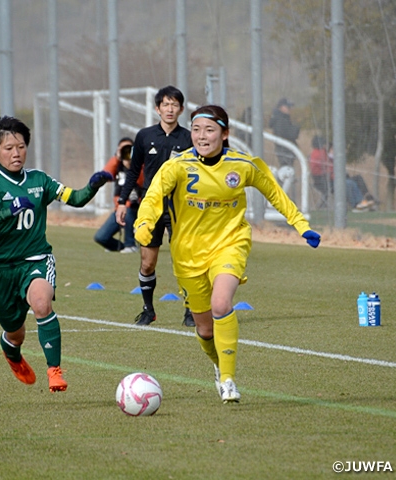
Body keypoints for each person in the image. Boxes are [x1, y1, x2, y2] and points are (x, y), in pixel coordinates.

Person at [133, 105, 320, 403]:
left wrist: (300, 224)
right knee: (205, 330)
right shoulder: (177, 166)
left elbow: (274, 191)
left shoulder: (242, 165)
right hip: (188, 255)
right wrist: (144, 223)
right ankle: (220, 367)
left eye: (209, 130)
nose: (201, 136)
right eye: (196, 130)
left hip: (230, 244)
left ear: (225, 133)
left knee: (221, 303)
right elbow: (154, 196)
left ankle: (230, 380)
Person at [0, 116, 112, 393]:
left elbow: (75, 199)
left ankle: (54, 371)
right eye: (8, 148)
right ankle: (12, 353)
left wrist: (93, 185)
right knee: (15, 332)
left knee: (42, 304)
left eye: (20, 146)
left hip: (36, 259)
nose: (16, 153)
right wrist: (8, 211)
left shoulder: (39, 180)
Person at [115, 85, 195, 327]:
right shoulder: (144, 136)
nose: (170, 109)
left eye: (175, 105)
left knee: (185, 260)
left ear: (181, 109)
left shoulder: (189, 137)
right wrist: (122, 201)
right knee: (148, 262)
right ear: (157, 108)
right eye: (165, 104)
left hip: (181, 207)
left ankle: (191, 310)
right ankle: (148, 310)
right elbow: (132, 172)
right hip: (151, 207)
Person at [93, 137, 143, 253]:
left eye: (129, 149)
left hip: (137, 208)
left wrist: (134, 163)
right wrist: (117, 158)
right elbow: (105, 175)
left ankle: (130, 244)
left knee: (129, 208)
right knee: (101, 237)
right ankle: (121, 246)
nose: (126, 152)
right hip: (119, 208)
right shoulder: (117, 165)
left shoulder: (141, 164)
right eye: (123, 149)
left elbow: (143, 181)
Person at [269, 98, 300, 198]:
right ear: (281, 107)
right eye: (288, 107)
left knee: (287, 174)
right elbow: (289, 134)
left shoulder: (282, 118)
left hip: (285, 150)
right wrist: (296, 128)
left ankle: (282, 197)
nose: (289, 109)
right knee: (286, 173)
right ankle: (279, 197)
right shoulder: (281, 119)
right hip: (284, 150)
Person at [309, 135, 333, 208]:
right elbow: (328, 167)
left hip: (322, 179)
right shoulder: (320, 153)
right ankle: (321, 206)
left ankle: (322, 206)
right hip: (322, 180)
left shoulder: (315, 153)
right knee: (349, 184)